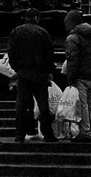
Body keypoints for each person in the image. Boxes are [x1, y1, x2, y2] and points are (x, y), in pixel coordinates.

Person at [6, 8, 58, 143]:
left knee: (21, 105)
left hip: (23, 74)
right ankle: (48, 134)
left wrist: (16, 68)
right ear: (37, 18)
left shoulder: (16, 32)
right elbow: (49, 54)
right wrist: (48, 71)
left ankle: (20, 135)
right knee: (43, 105)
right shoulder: (43, 32)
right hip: (40, 74)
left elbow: (11, 52)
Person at [63, 9, 91, 143]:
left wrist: (70, 77)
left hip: (80, 76)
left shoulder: (73, 38)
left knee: (82, 105)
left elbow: (72, 60)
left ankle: (85, 132)